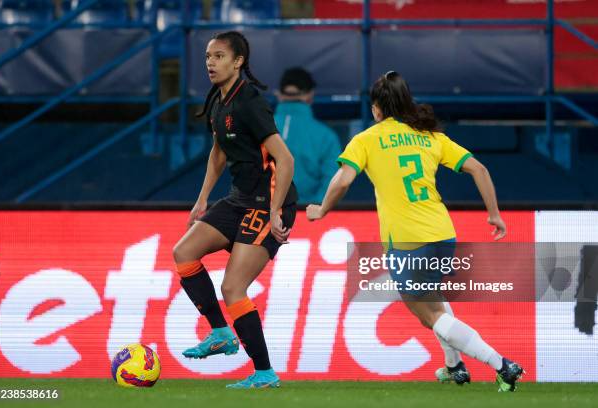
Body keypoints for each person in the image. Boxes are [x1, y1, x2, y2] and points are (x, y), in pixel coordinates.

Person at [306, 71, 524, 392]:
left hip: (407, 242)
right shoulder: (430, 137)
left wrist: (322, 209)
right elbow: (479, 168)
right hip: (442, 234)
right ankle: (454, 366)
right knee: (432, 305)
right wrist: (494, 215)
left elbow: (343, 180)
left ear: (377, 108)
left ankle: (501, 364)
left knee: (430, 314)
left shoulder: (367, 139)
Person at [172, 31, 297, 389]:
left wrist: (275, 211)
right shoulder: (219, 101)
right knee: (184, 252)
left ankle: (264, 373)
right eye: (208, 56)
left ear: (238, 61)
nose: (210, 63)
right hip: (240, 198)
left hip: (268, 202)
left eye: (219, 56)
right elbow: (218, 153)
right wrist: (202, 199)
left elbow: (285, 161)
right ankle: (221, 334)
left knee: (233, 287)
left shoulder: (250, 103)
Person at [274, 67, 341, 203]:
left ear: (279, 95)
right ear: (310, 96)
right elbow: (333, 183)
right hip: (306, 217)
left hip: (259, 217)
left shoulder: (255, 129)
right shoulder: (326, 136)